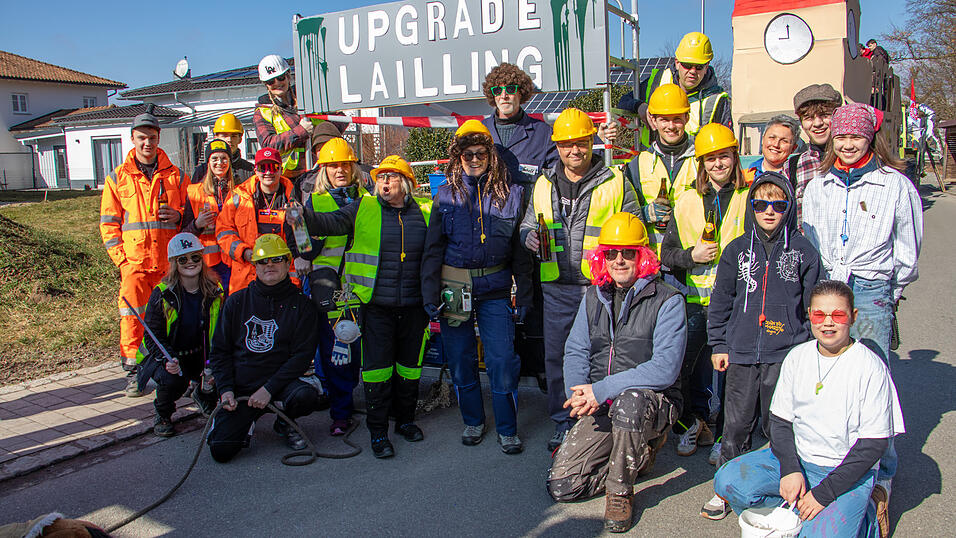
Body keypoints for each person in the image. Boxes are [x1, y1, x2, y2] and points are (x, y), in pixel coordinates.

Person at [802, 103, 922, 523]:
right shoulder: (819, 185)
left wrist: (890, 291)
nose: (848, 144)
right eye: (841, 137)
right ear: (831, 140)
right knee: (829, 378)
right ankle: (835, 462)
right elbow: (811, 239)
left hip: (871, 289)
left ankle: (881, 479)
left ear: (870, 138)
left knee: (873, 382)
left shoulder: (895, 185)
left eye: (856, 136)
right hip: (829, 287)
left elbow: (907, 248)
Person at [714, 280, 904, 538]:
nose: (828, 322)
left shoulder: (870, 367)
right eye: (819, 314)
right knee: (728, 481)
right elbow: (780, 421)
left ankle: (868, 514)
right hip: (800, 459)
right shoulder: (797, 356)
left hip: (844, 471)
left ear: (853, 316)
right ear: (809, 316)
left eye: (838, 315)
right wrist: (790, 469)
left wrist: (823, 495)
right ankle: (801, 518)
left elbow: (873, 444)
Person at [547, 212, 685, 533]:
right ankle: (636, 456)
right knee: (563, 486)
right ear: (602, 257)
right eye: (611, 253)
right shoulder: (594, 296)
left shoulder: (668, 299)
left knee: (631, 400)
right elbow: (576, 349)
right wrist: (579, 393)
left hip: (649, 404)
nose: (619, 260)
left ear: (643, 255)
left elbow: (664, 368)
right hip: (604, 404)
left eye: (628, 253)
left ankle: (620, 490)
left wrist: (603, 389)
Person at [700, 172, 822, 520]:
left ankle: (786, 484)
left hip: (786, 354)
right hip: (740, 352)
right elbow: (721, 300)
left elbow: (812, 304)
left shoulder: (803, 251)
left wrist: (811, 350)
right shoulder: (735, 250)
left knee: (778, 424)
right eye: (761, 203)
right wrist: (719, 343)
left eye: (778, 204)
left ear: (789, 207)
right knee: (736, 424)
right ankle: (725, 487)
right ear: (751, 206)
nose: (769, 211)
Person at [520, 107, 640, 451]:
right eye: (567, 144)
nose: (575, 150)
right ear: (557, 146)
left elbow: (634, 225)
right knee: (557, 357)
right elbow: (529, 223)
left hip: (599, 288)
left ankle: (599, 421)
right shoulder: (543, 183)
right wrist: (528, 236)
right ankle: (564, 422)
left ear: (593, 142)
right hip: (556, 287)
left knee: (602, 356)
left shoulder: (615, 181)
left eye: (582, 143)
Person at [297, 155, 431, 459]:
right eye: (381, 177)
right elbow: (330, 222)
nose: (384, 182)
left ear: (407, 183)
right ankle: (379, 432)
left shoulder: (425, 210)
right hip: (376, 306)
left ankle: (406, 421)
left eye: (392, 177)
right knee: (376, 371)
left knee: (410, 369)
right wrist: (301, 214)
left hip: (414, 307)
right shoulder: (363, 207)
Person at [421, 120, 533, 454]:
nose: (474, 159)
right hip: (455, 287)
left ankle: (508, 428)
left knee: (501, 359)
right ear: (458, 156)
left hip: (496, 289)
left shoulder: (512, 194)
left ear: (490, 155)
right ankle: (473, 420)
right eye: (467, 153)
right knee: (460, 358)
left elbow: (520, 251)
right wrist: (429, 293)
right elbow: (432, 249)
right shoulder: (445, 196)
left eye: (480, 153)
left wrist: (524, 293)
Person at [660, 122, 749, 460]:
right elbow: (666, 256)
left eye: (723, 156)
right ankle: (689, 424)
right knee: (679, 369)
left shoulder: (748, 197)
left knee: (733, 376)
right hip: (695, 301)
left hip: (737, 303)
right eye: (710, 159)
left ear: (734, 157)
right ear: (701, 164)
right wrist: (691, 256)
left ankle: (727, 439)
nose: (718, 164)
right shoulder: (686, 202)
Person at [207, 234, 321, 462]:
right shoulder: (236, 302)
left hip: (279, 386)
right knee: (220, 450)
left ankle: (284, 421)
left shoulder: (303, 306)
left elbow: (301, 357)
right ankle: (245, 421)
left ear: (288, 262)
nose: (270, 265)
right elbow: (220, 351)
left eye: (276, 259)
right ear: (254, 265)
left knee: (307, 396)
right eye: (263, 261)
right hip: (242, 387)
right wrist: (226, 389)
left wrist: (269, 389)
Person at [100, 109, 184, 397]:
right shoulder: (117, 178)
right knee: (132, 316)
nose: (147, 143)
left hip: (168, 263)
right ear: (132, 139)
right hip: (134, 264)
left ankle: (173, 368)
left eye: (152, 137)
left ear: (159, 138)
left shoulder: (176, 176)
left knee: (172, 316)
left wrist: (178, 214)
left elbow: (189, 214)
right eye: (141, 138)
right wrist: (122, 261)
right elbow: (108, 223)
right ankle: (134, 372)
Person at [297, 136, 369, 436]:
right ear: (322, 170)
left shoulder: (368, 198)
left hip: (358, 285)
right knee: (335, 350)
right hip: (327, 285)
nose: (339, 170)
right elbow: (305, 250)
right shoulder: (314, 201)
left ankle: (350, 401)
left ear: (353, 167)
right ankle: (341, 412)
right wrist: (303, 231)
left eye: (344, 164)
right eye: (332, 165)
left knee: (353, 349)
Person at [135, 233, 223, 437]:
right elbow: (153, 334)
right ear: (174, 263)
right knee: (173, 381)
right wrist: (167, 358)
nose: (190, 263)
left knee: (223, 375)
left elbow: (220, 329)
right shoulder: (163, 293)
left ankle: (202, 394)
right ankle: (163, 414)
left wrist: (216, 362)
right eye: (183, 259)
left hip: (199, 354)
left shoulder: (214, 290)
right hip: (169, 357)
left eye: (195, 257)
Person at [619, 32, 731, 149]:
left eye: (699, 67)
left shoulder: (716, 99)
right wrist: (639, 106)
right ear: (677, 63)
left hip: (692, 164)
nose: (693, 71)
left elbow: (726, 146)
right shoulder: (657, 81)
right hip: (652, 161)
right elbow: (623, 101)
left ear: (707, 66)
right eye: (687, 65)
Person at [623, 83, 698, 255]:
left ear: (687, 118)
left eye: (677, 119)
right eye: (664, 119)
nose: (671, 126)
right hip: (653, 261)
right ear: (653, 120)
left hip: (691, 259)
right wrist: (645, 213)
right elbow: (624, 214)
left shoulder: (702, 160)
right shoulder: (637, 164)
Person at [216, 147, 297, 295]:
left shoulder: (295, 196)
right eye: (263, 167)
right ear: (255, 170)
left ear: (281, 169)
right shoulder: (239, 196)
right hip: (246, 276)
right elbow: (223, 231)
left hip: (283, 276)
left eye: (273, 167)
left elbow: (301, 238)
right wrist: (244, 252)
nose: (268, 172)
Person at [182, 139, 238, 293]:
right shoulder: (194, 193)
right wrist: (196, 224)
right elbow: (182, 234)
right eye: (215, 158)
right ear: (208, 162)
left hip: (233, 262)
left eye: (224, 158)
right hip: (207, 265)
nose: (220, 163)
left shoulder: (240, 191)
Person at [252, 55, 314, 180]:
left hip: (317, 169)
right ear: (266, 85)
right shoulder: (263, 112)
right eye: (271, 81)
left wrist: (321, 131)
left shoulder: (309, 99)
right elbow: (269, 144)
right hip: (287, 177)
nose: (277, 84)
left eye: (280, 78)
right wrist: (301, 131)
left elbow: (337, 119)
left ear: (288, 76)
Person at [791, 84, 843, 227]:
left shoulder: (854, 161)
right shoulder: (793, 166)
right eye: (808, 117)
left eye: (825, 115)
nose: (817, 123)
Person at [191, 113, 254, 185]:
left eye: (233, 136)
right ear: (216, 137)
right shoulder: (202, 171)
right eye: (224, 135)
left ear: (240, 139)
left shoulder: (249, 170)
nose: (229, 139)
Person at [749, 115, 800, 180]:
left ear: (793, 148)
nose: (776, 145)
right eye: (772, 137)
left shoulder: (797, 177)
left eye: (784, 141)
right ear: (762, 139)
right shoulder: (745, 174)